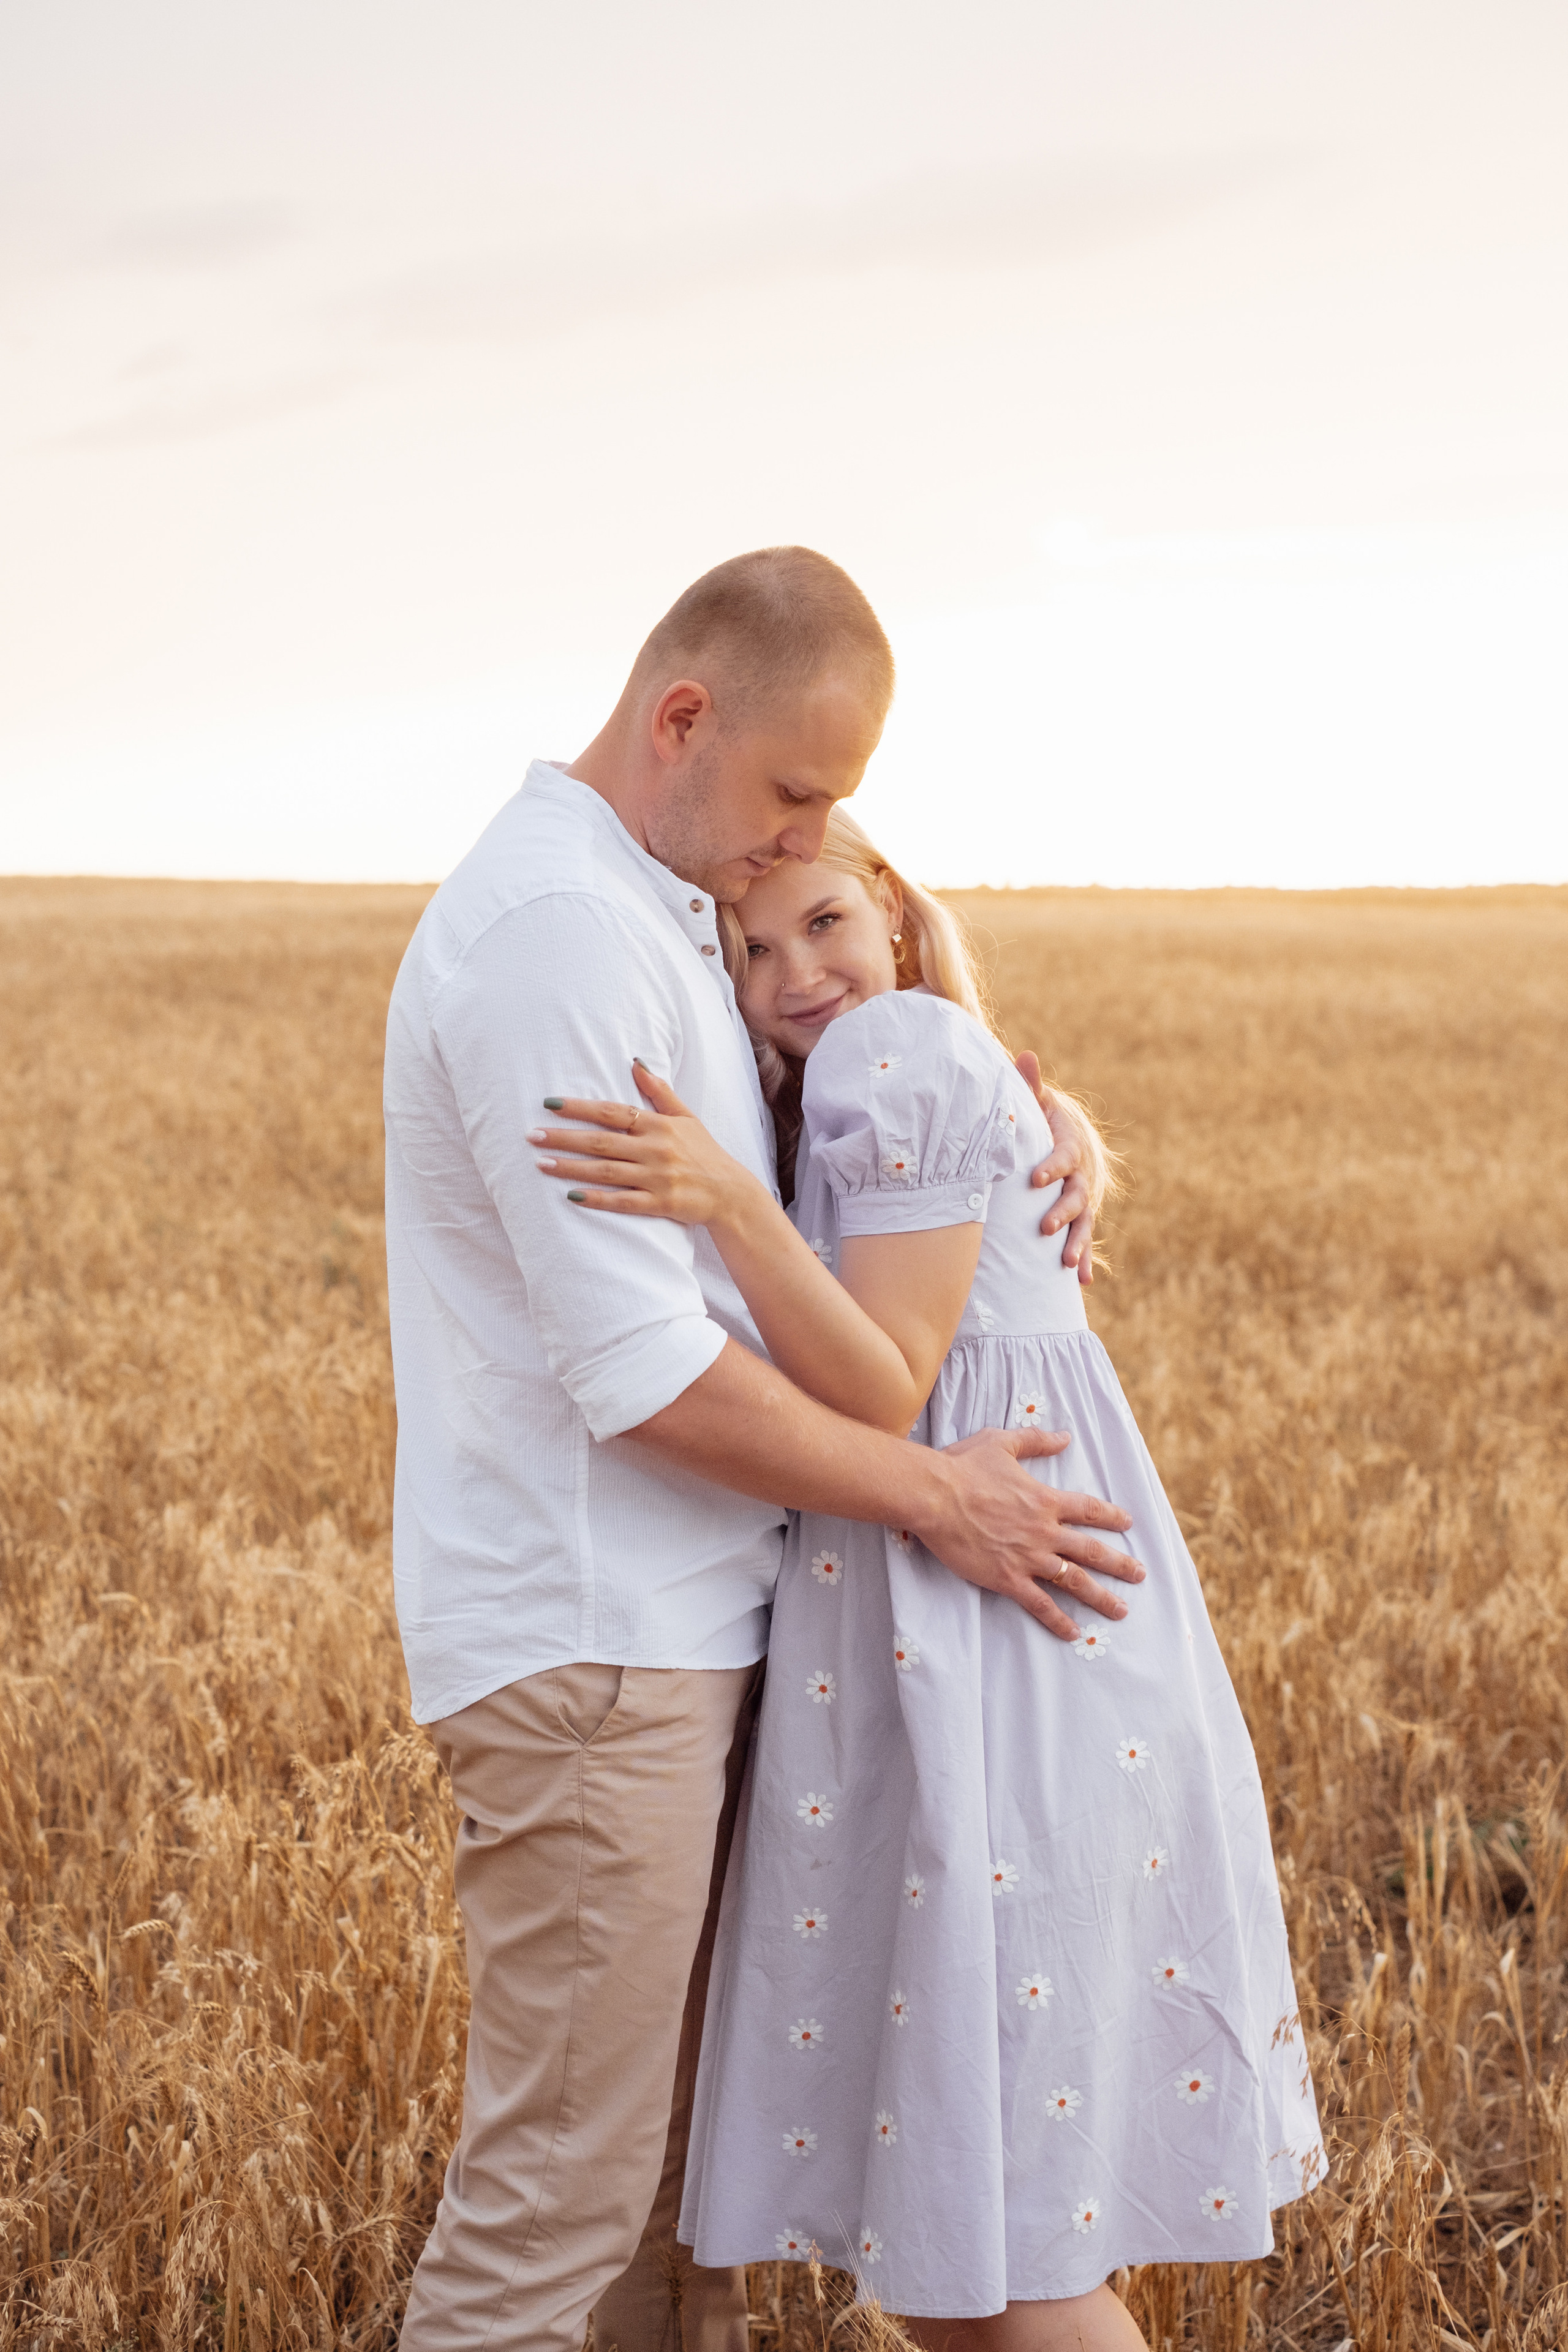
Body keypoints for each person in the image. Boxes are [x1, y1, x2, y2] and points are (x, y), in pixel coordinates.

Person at [382, 548, 1140, 2352]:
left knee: (674, 2215)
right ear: (683, 717)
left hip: (695, 1641)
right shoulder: (563, 936)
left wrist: (1046, 1116)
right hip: (598, 1659)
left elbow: (856, 1129)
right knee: (553, 2219)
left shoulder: (658, 900)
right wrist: (940, 1494)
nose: (802, 845)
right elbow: (645, 1376)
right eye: (795, 792)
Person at [532, 807, 1325, 2352]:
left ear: (891, 911)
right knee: (969, 2240)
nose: (792, 972)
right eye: (749, 952)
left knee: (1009, 2252)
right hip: (984, 1630)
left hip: (994, 1639)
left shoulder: (890, 1053)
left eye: (823, 921)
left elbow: (887, 1392)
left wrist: (724, 1202)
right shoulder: (911, 1065)